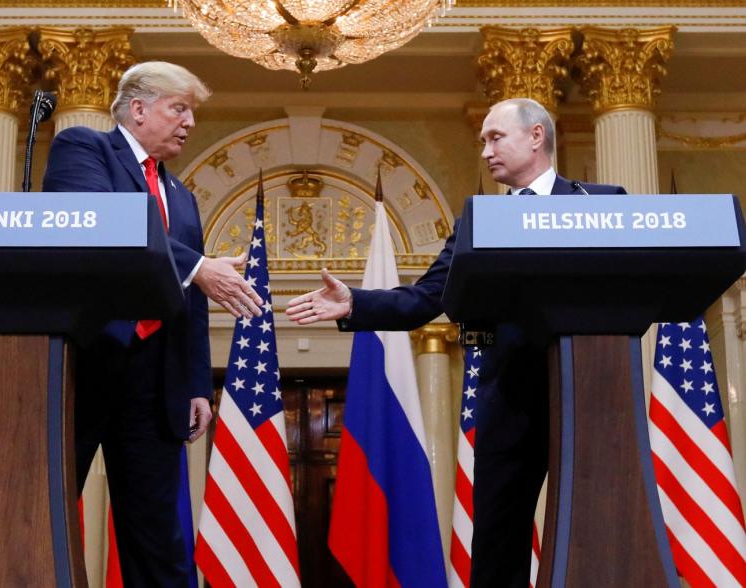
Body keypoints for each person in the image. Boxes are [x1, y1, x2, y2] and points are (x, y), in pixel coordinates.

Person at [286, 97, 626, 587]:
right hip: (508, 397)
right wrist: (355, 304)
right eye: (482, 141)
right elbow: (426, 298)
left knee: (600, 528)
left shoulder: (601, 202)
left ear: (536, 136)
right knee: (498, 540)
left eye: (495, 138)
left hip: (590, 391)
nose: (485, 151)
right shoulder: (478, 220)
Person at [43, 61, 263, 587]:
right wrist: (195, 265)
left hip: (154, 380)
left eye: (192, 112)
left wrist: (193, 385)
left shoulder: (182, 197)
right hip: (84, 364)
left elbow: (188, 301)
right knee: (45, 507)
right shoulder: (84, 148)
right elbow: (98, 222)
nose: (189, 123)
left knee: (157, 535)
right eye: (179, 108)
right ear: (138, 108)